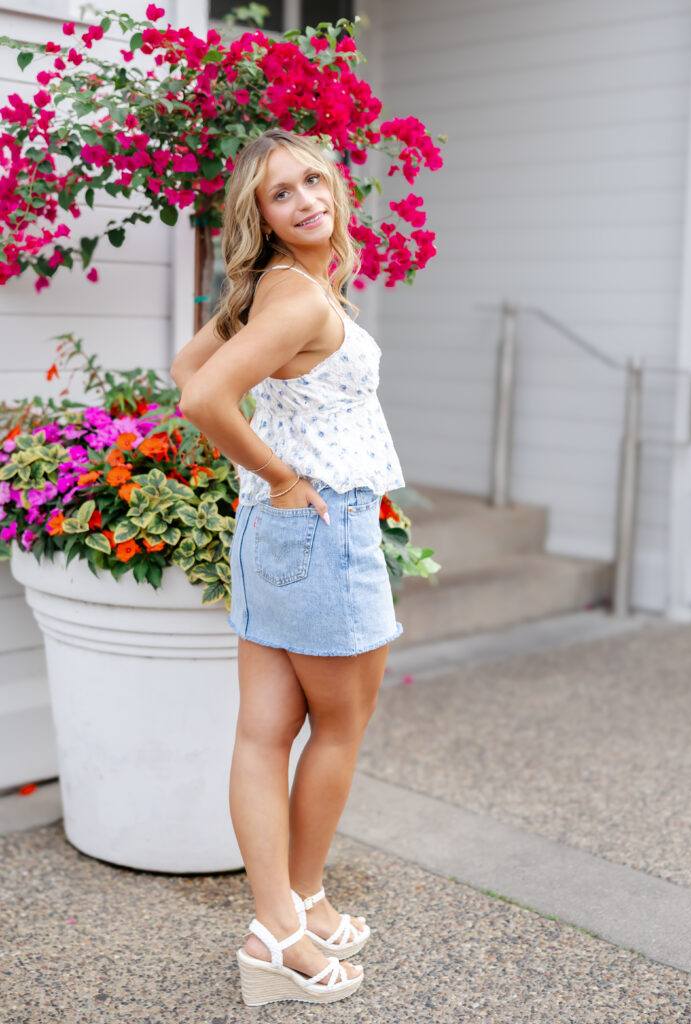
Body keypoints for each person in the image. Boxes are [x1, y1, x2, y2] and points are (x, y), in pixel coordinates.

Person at [170, 127, 405, 1006]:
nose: (306, 199)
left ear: (334, 184)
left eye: (313, 180)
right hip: (320, 524)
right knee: (338, 728)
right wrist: (280, 474)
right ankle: (292, 910)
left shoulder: (274, 286)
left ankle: (283, 920)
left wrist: (273, 485)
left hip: (272, 534)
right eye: (281, 193)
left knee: (262, 735)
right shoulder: (299, 298)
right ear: (261, 216)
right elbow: (202, 393)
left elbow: (187, 363)